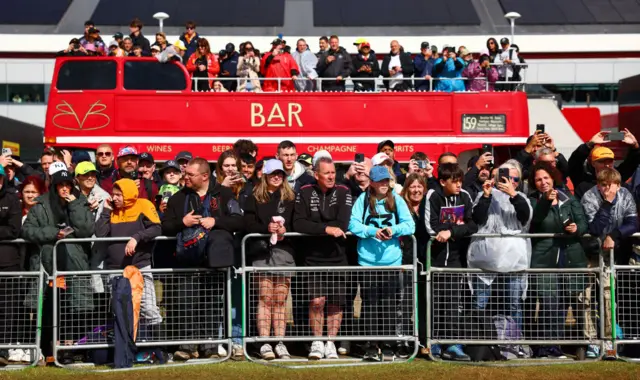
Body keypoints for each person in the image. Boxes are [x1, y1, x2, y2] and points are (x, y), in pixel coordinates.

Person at [161, 157, 243, 360]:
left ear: (205, 176)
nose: (185, 177)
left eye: (190, 174)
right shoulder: (178, 198)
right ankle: (188, 347)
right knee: (186, 304)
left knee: (212, 303)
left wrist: (216, 220)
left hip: (214, 263)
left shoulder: (223, 194)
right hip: (187, 260)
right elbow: (165, 226)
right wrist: (183, 221)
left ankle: (210, 347)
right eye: (185, 173)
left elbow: (240, 221)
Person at [22, 169, 95, 363]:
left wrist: (75, 206)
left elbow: (86, 230)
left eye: (68, 185)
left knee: (73, 309)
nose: (65, 189)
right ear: (54, 186)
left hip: (73, 265)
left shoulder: (79, 203)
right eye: (61, 185)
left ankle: (67, 351)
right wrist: (54, 233)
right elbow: (28, 231)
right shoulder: (41, 205)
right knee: (48, 309)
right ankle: (47, 350)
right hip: (47, 266)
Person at [348, 166, 415, 361]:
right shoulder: (363, 200)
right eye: (380, 181)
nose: (384, 184)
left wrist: (392, 231)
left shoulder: (397, 199)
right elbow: (352, 224)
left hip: (391, 261)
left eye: (387, 180)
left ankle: (388, 344)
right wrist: (371, 231)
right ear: (372, 182)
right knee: (369, 305)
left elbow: (409, 224)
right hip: (367, 261)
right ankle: (371, 345)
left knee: (388, 305)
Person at [468, 160, 532, 357]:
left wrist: (513, 195)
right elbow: (477, 218)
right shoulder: (483, 195)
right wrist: (486, 196)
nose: (508, 181)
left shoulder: (521, 197)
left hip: (514, 260)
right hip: (486, 260)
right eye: (503, 177)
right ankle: (478, 345)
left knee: (513, 303)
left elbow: (525, 217)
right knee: (480, 303)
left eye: (514, 178)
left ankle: (513, 344)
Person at [527, 162, 590, 359]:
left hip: (568, 256)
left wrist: (576, 229)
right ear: (534, 183)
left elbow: (582, 221)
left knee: (563, 304)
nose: (543, 182)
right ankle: (545, 348)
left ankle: (556, 347)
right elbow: (536, 220)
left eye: (546, 178)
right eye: (539, 179)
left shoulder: (568, 198)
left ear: (553, 178)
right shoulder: (532, 200)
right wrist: (545, 201)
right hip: (544, 257)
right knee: (548, 303)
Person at [293, 157, 353, 360]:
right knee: (316, 302)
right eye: (326, 173)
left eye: (333, 172)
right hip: (312, 257)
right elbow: (299, 223)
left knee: (336, 303)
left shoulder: (344, 191)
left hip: (338, 256)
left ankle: (330, 343)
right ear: (316, 174)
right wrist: (326, 228)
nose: (330, 176)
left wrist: (319, 227)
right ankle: (317, 342)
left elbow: (343, 223)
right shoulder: (304, 191)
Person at [243, 160, 296, 360]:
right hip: (262, 253)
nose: (277, 177)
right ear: (265, 175)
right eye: (273, 173)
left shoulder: (291, 197)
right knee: (265, 298)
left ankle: (280, 342)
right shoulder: (254, 197)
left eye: (280, 174)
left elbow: (296, 221)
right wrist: (266, 228)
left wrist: (285, 230)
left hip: (284, 252)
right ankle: (265, 342)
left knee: (280, 300)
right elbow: (247, 223)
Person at [425, 163, 478, 360]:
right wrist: (448, 229)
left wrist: (452, 231)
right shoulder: (433, 195)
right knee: (436, 302)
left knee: (454, 303)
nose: (458, 185)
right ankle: (435, 343)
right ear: (442, 181)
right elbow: (430, 226)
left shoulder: (465, 196)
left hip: (457, 258)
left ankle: (454, 344)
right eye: (454, 181)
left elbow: (472, 224)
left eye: (460, 181)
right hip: (437, 259)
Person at [95, 179, 163, 325]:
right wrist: (106, 211)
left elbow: (156, 228)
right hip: (115, 270)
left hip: (139, 267)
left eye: (119, 195)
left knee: (149, 309)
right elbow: (100, 233)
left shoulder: (144, 204)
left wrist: (136, 237)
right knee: (121, 311)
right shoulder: (111, 209)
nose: (115, 198)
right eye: (114, 194)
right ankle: (127, 345)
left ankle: (155, 345)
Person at [568, 130, 640, 199]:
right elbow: (574, 163)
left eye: (610, 161)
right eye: (602, 161)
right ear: (593, 163)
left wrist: (635, 146)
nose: (607, 165)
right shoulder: (583, 181)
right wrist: (589, 145)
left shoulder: (618, 178)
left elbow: (631, 163)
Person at [0, 165, 24, 365]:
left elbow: (14, 230)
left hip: (8, 263)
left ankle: (5, 347)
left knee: (8, 307)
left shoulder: (12, 198)